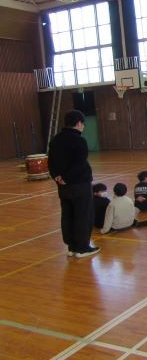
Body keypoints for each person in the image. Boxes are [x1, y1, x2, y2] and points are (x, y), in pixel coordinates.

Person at [48, 110, 100, 258]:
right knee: (83, 214)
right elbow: (79, 164)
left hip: (63, 186)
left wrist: (57, 177)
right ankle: (82, 248)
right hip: (79, 184)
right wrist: (66, 177)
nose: (83, 127)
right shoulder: (79, 140)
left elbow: (51, 162)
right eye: (83, 124)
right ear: (78, 123)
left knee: (68, 214)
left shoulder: (56, 139)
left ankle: (72, 247)